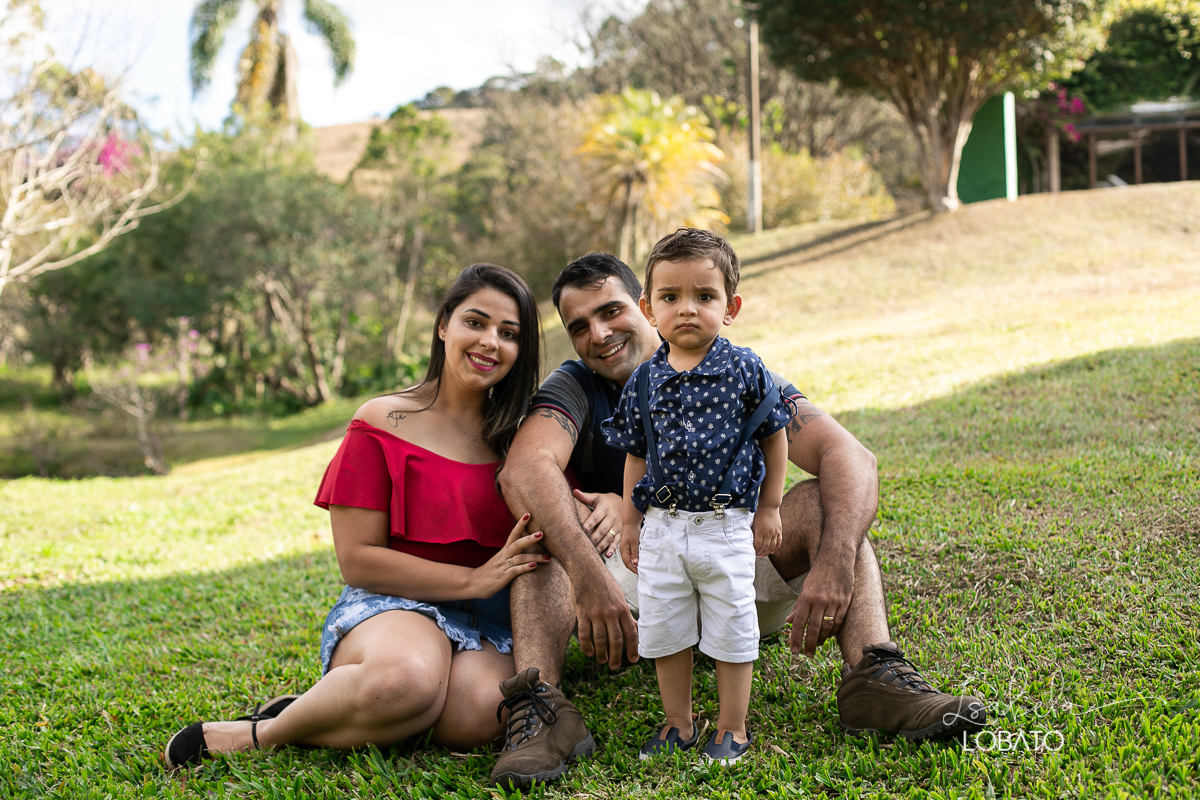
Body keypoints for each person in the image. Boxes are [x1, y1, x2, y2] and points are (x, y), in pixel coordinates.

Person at [492, 243, 986, 788]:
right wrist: (588, 572)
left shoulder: (740, 370)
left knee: (827, 505)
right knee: (538, 539)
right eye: (579, 326)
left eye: (611, 311)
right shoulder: (576, 384)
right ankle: (542, 710)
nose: (600, 333)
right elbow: (524, 471)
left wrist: (835, 557)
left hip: (737, 557)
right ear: (656, 303)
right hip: (637, 578)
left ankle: (876, 677)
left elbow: (849, 456)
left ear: (640, 305)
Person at [164, 263, 557, 767]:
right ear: (444, 325)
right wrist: (473, 580)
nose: (489, 342)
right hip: (396, 605)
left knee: (481, 715)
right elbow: (358, 560)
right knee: (404, 683)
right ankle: (264, 732)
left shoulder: (523, 437)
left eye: (509, 333)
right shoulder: (382, 421)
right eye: (475, 322)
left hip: (488, 625)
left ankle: (335, 707)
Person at [603, 229, 791, 763]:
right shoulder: (644, 380)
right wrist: (631, 520)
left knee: (733, 626)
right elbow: (636, 454)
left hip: (724, 526)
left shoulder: (745, 369)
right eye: (670, 296)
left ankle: (732, 727)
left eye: (704, 296)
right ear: (648, 308)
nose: (687, 308)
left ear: (730, 308)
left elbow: (774, 435)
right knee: (666, 628)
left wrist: (770, 507)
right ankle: (678, 723)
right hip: (663, 527)